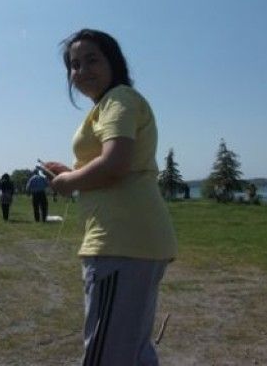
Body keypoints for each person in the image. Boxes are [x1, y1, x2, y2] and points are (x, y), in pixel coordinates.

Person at [49, 29, 178, 365]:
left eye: (92, 59)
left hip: (121, 241)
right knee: (133, 351)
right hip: (133, 240)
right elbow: (113, 165)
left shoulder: (119, 99)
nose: (82, 70)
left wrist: (68, 182)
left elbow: (115, 164)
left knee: (107, 354)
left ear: (114, 63)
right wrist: (72, 172)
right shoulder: (109, 105)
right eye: (74, 65)